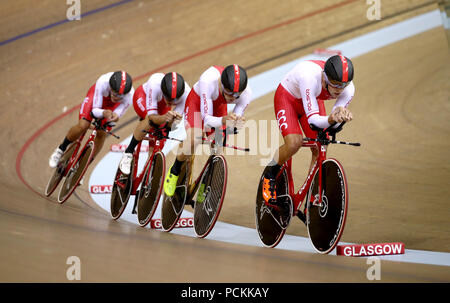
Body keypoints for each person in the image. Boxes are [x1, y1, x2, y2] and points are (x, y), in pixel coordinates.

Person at [261, 55, 355, 207]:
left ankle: (312, 192)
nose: (339, 90)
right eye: (335, 84)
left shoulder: (348, 89)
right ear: (325, 77)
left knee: (322, 144)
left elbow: (332, 126)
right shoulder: (309, 77)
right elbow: (313, 121)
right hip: (288, 99)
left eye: (343, 85)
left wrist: (340, 120)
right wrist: (332, 119)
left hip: (312, 100)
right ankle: (270, 173)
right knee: (294, 143)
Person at [163, 64, 253, 197]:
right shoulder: (208, 81)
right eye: (229, 92)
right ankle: (175, 170)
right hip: (197, 102)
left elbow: (232, 124)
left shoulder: (246, 94)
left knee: (218, 146)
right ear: (221, 84)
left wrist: (235, 125)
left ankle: (206, 181)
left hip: (218, 107)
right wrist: (224, 120)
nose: (232, 98)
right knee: (195, 137)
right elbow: (206, 120)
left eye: (236, 95)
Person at [49, 71, 134, 169]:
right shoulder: (103, 82)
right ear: (110, 87)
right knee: (83, 125)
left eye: (120, 96)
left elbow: (117, 116)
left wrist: (114, 117)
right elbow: (94, 111)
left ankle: (83, 167)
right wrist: (103, 113)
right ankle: (61, 149)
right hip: (97, 98)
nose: (116, 97)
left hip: (112, 107)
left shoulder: (130, 96)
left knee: (102, 133)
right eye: (114, 93)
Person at [118, 72, 190, 175]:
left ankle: (147, 174)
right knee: (150, 121)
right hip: (142, 98)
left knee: (163, 133)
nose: (172, 103)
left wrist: (171, 123)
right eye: (169, 99)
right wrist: (165, 118)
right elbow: (152, 117)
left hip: (162, 107)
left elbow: (172, 125)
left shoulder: (186, 93)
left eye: (176, 100)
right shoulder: (155, 83)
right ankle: (128, 152)